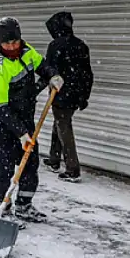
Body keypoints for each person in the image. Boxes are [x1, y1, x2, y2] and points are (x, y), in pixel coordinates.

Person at [0, 17, 63, 222]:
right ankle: (2, 207)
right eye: (7, 43)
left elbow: (42, 65)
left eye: (15, 42)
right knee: (5, 168)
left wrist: (52, 75)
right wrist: (20, 133)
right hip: (1, 122)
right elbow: (0, 108)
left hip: (24, 116)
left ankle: (24, 206)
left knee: (30, 164)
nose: (12, 46)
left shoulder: (26, 51)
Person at [42, 12, 93, 183]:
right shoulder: (81, 45)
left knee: (63, 127)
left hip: (60, 93)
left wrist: (33, 91)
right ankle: (54, 159)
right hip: (75, 95)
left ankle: (72, 169)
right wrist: (84, 96)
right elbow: (88, 74)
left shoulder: (55, 45)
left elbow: (47, 71)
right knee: (60, 123)